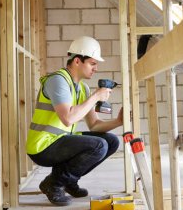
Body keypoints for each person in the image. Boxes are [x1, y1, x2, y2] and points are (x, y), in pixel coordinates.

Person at [26, 36, 123, 206]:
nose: (96, 68)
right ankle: (54, 183)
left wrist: (119, 121)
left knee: (111, 141)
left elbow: (95, 125)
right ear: (77, 61)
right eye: (92, 63)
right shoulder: (58, 80)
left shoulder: (82, 88)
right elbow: (68, 118)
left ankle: (68, 181)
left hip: (60, 142)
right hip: (42, 146)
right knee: (98, 145)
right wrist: (96, 97)